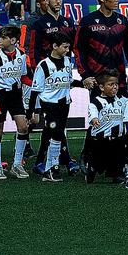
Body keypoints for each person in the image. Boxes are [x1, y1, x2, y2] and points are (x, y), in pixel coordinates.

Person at [30, 32, 79, 183]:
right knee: (56, 133)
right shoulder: (43, 65)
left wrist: (84, 84)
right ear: (55, 46)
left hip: (65, 104)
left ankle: (48, 168)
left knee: (56, 134)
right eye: (64, 47)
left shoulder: (67, 62)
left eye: (68, 47)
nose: (67, 50)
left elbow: (69, 82)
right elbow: (35, 90)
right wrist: (32, 111)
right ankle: (52, 169)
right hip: (49, 105)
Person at [0, 25, 30, 180]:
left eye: (3, 37)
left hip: (15, 95)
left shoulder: (21, 55)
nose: (0, 40)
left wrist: (37, 85)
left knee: (23, 127)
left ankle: (17, 164)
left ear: (13, 40)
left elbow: (24, 77)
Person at [75, 0, 128, 91]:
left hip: (119, 79)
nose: (116, 0)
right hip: (97, 80)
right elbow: (79, 49)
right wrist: (85, 75)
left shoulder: (122, 20)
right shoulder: (87, 21)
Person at [84, 72, 128, 185]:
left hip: (117, 138)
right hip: (101, 139)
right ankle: (91, 169)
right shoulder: (96, 102)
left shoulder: (122, 100)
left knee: (118, 157)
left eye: (116, 84)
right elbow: (92, 112)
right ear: (101, 87)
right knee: (98, 160)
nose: (115, 87)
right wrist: (94, 119)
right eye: (110, 84)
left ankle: (116, 175)